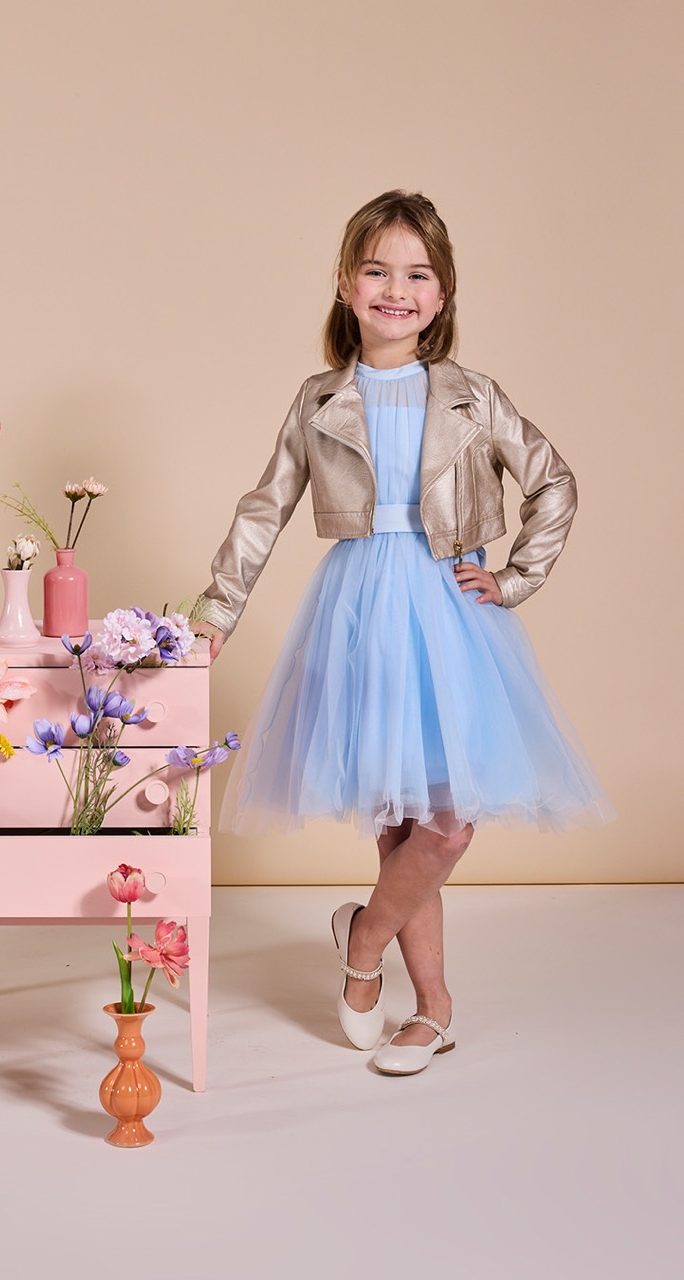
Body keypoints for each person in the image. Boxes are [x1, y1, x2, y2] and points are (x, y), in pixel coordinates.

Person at [194, 190, 613, 1075]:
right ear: (346, 284)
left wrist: (515, 576)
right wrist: (214, 613)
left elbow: (555, 482)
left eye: (417, 275)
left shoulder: (470, 396)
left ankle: (362, 939)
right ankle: (434, 1010)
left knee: (447, 825)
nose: (397, 290)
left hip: (446, 606)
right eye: (378, 271)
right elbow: (264, 509)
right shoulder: (319, 399)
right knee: (399, 824)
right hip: (359, 609)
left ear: (443, 292)